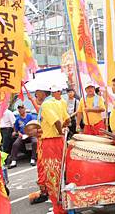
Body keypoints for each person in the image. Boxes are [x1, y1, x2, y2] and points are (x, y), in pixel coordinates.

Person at [31, 82, 67, 214]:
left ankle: (59, 209)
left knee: (53, 178)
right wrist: (62, 132)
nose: (36, 94)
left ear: (43, 92)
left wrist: (59, 131)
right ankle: (63, 206)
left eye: (37, 91)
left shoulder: (46, 105)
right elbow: (66, 120)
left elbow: (57, 121)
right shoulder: (58, 102)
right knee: (61, 174)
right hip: (58, 141)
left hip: (51, 142)